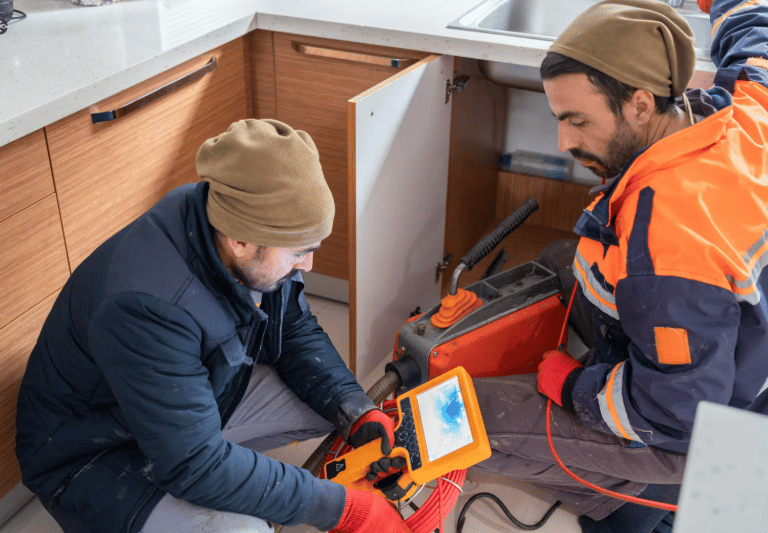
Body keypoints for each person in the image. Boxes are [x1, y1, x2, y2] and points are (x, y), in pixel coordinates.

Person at [15, 119, 411, 533]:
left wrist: (355, 408)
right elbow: (193, 464)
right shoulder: (147, 306)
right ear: (240, 241)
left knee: (327, 409)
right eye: (299, 251)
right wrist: (344, 510)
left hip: (176, 405)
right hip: (93, 454)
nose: (307, 265)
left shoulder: (232, 221)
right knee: (245, 530)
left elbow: (293, 329)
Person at [471, 0, 768, 532]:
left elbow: (673, 411)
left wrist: (572, 388)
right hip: (736, 350)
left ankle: (647, 501)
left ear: (638, 104)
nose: (564, 142)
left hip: (713, 430)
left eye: (577, 121)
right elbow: (756, 29)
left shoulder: (669, 241)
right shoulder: (744, 113)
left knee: (480, 416)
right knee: (558, 263)